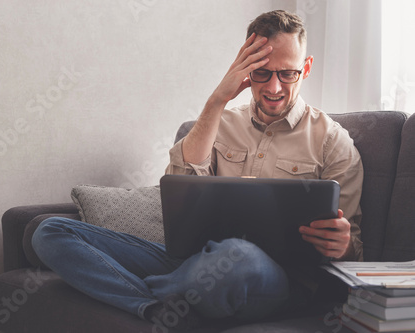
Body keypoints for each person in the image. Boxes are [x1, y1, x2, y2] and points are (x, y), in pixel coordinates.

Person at [32, 9, 363, 332]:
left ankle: (131, 286)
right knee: (50, 232)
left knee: (237, 256)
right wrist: (217, 100)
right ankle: (155, 306)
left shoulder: (332, 142)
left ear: (305, 69)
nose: (274, 87)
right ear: (245, 70)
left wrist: (343, 244)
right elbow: (180, 187)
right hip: (190, 261)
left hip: (271, 278)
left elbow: (354, 250)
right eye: (262, 72)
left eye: (287, 73)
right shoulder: (219, 122)